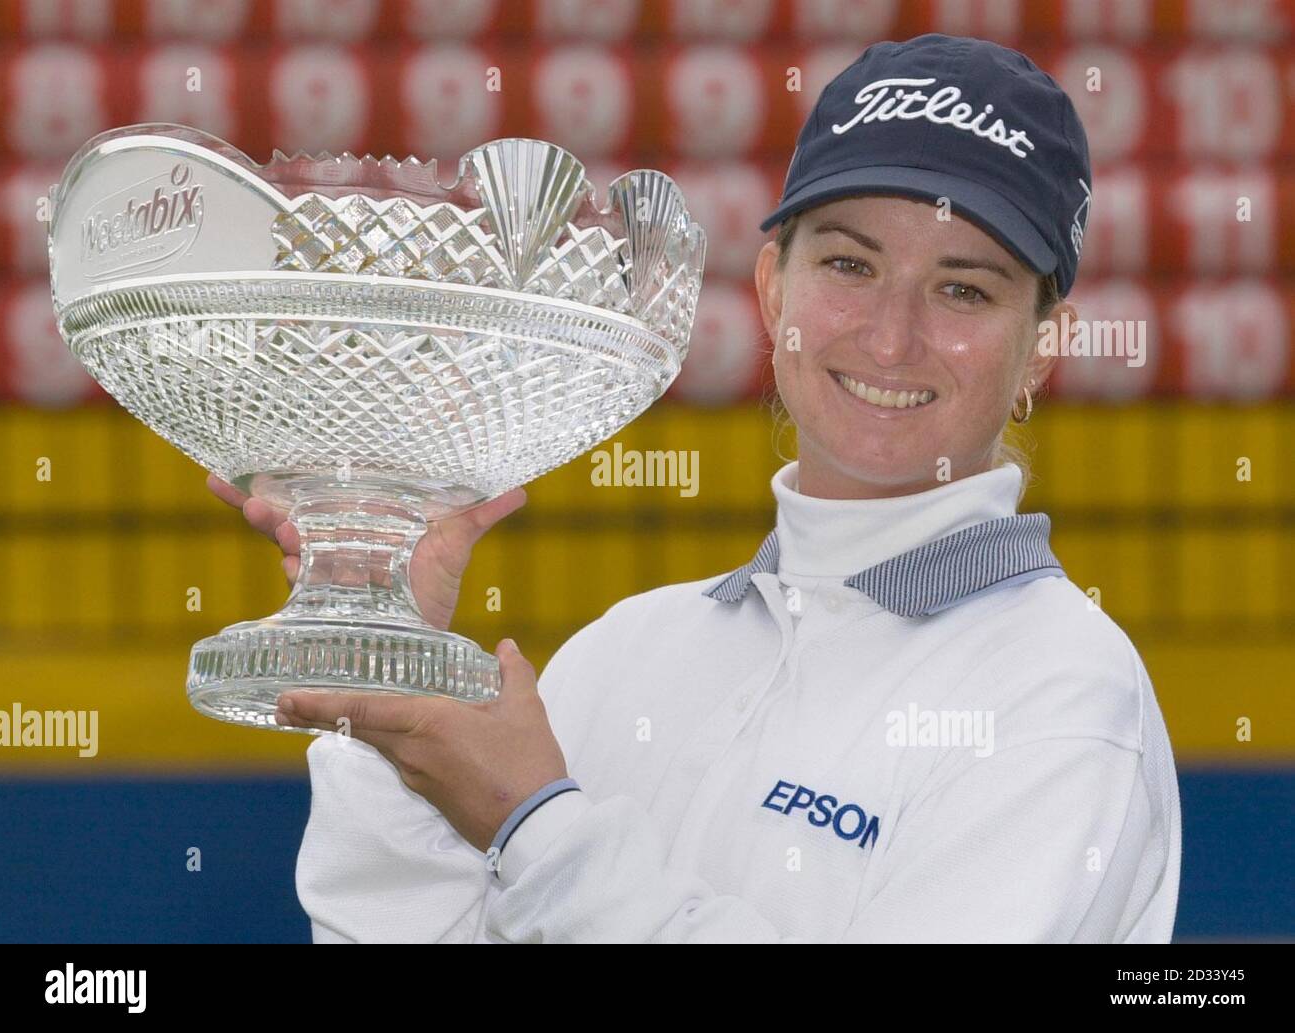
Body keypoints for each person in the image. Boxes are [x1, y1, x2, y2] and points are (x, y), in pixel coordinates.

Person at [208, 33, 1181, 943]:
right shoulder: (631, 652)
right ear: (770, 291)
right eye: (849, 263)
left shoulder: (1062, 701)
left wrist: (539, 826)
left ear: (1041, 349)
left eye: (963, 287)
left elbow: (543, 847)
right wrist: (392, 668)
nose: (890, 337)